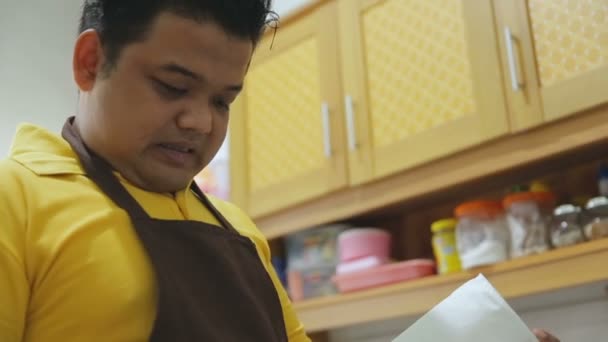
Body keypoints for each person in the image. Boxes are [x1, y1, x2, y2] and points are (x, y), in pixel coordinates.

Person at [0, 1, 560, 341]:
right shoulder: (17, 204)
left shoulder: (239, 234)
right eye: (172, 86)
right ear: (91, 61)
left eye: (223, 100)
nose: (198, 122)